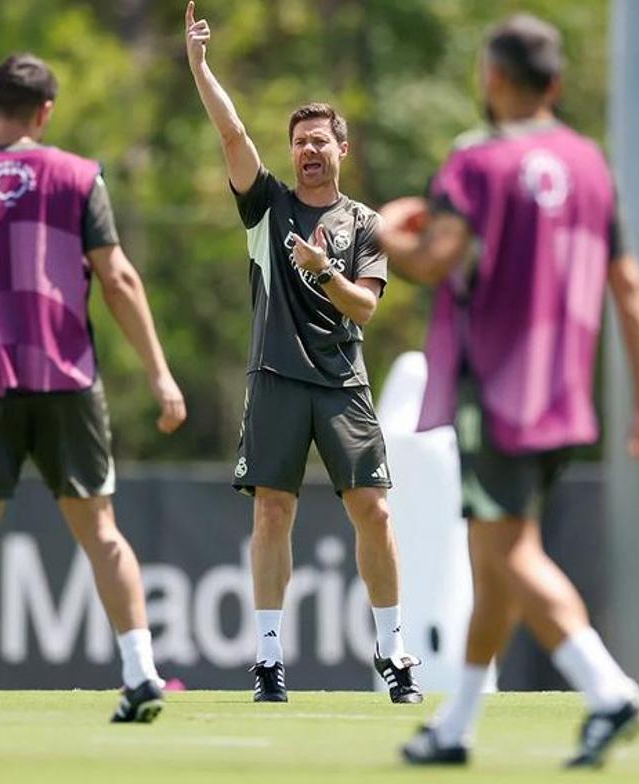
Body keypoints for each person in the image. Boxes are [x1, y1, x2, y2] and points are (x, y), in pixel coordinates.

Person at [376, 14, 639, 769]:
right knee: (496, 558)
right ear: (558, 84)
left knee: (510, 553)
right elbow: (629, 286)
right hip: (565, 394)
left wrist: (383, 231)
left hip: (498, 393)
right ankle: (456, 727)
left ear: (496, 78)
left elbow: (434, 260)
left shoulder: (476, 163)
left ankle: (607, 691)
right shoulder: (591, 163)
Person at [0, 53, 187, 725]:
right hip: (68, 376)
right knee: (103, 532)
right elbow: (118, 279)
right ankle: (140, 672)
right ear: (46, 111)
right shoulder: (78, 177)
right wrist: (160, 374)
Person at [184, 1, 422, 704]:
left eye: (322, 140)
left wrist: (324, 272)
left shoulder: (367, 225)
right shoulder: (267, 208)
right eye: (301, 142)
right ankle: (267, 659)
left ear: (342, 149)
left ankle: (394, 649)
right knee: (271, 513)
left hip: (343, 384)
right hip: (277, 379)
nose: (310, 150)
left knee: (374, 511)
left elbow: (366, 307)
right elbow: (230, 133)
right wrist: (201, 66)